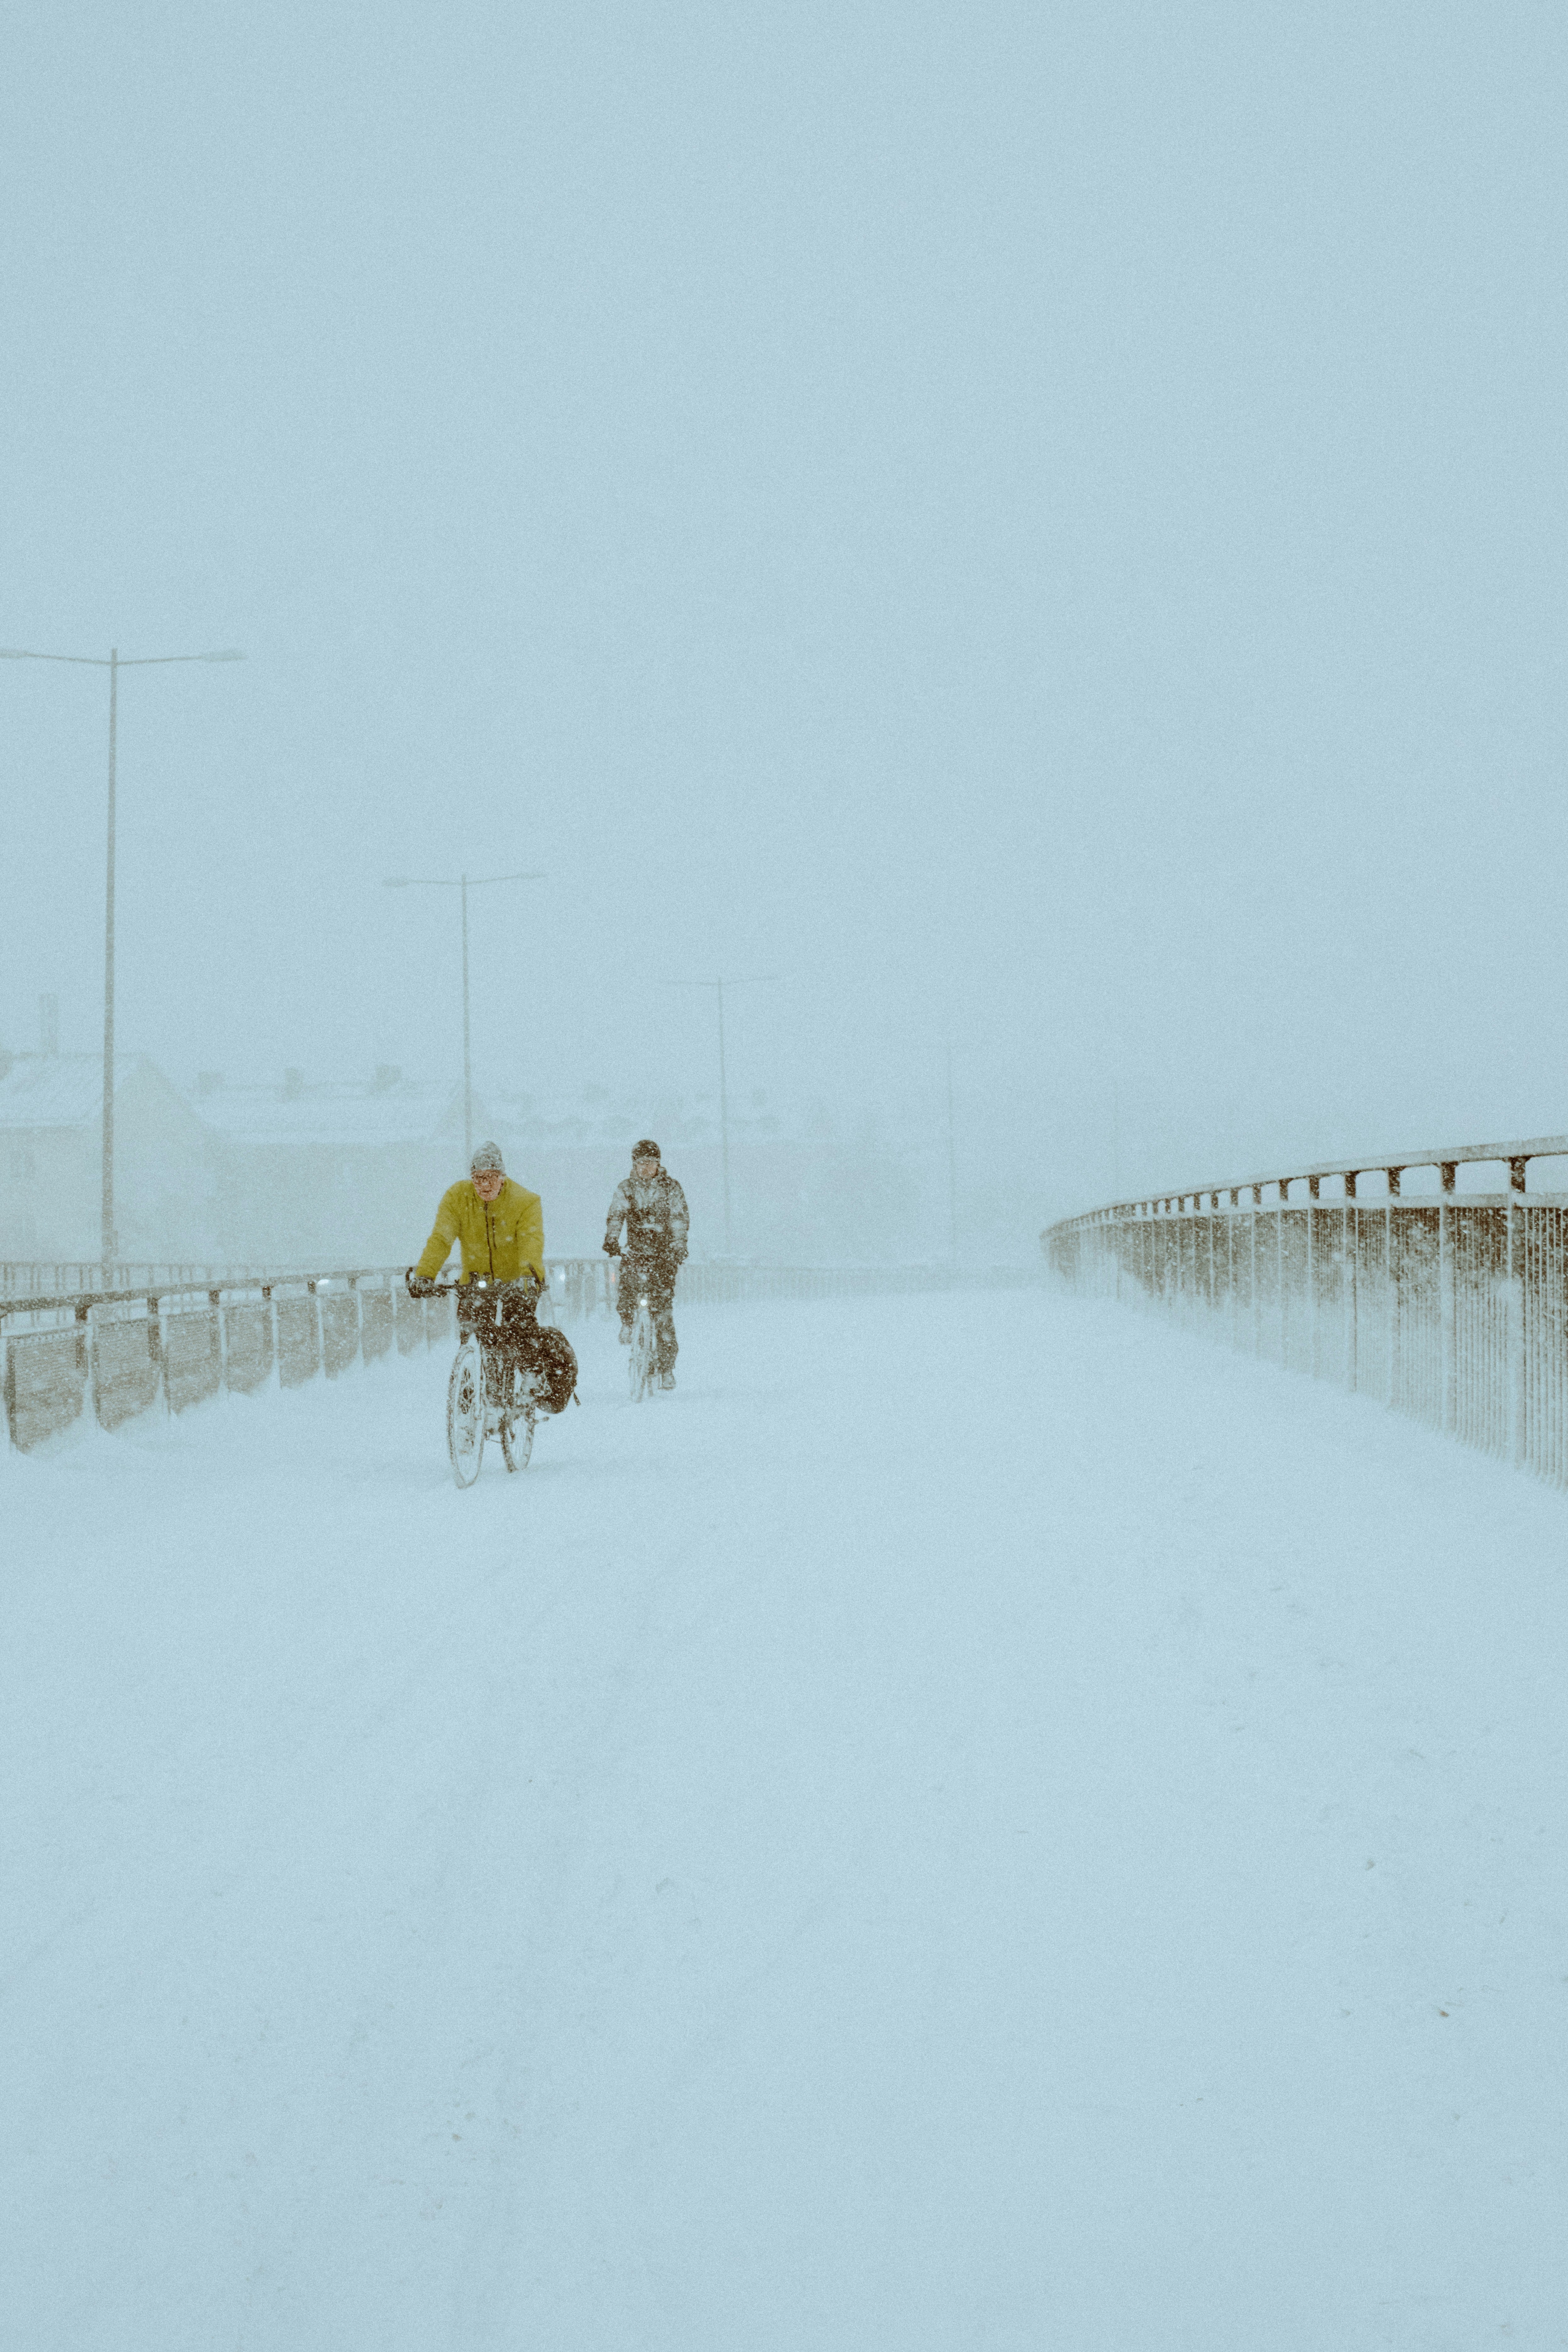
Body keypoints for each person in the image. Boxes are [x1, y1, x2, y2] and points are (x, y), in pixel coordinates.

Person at [407, 1141, 548, 1387]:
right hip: (475, 1284)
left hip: (518, 1284)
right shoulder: (457, 1198)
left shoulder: (525, 1201)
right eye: (478, 1178)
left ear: (503, 1177)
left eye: (491, 1178)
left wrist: (528, 1276)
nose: (484, 1185)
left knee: (521, 1334)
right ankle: (473, 1391)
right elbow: (441, 1238)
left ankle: (530, 1383)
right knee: (474, 1335)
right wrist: (425, 1275)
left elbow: (531, 1241)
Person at [603, 1139, 688, 1387]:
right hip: (636, 1251)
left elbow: (679, 1218)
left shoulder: (671, 1189)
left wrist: (678, 1246)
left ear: (658, 1164)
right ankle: (628, 1323)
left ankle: (666, 1368)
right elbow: (616, 1214)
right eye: (640, 1163)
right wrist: (611, 1239)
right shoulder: (626, 1189)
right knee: (627, 1286)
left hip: (664, 1254)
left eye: (650, 1163)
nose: (645, 1168)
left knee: (662, 1311)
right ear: (634, 1164)